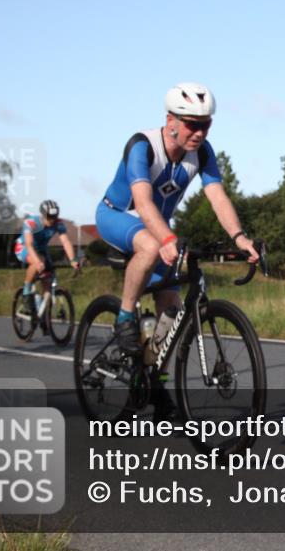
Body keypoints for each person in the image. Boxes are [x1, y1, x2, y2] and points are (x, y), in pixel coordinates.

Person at [96, 82, 258, 357]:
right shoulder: (142, 145)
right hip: (118, 215)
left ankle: (155, 380)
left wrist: (239, 237)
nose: (199, 133)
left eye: (205, 125)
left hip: (158, 226)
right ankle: (124, 317)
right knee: (149, 246)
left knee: (171, 308)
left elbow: (217, 197)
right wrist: (167, 238)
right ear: (170, 120)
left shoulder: (203, 152)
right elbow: (143, 203)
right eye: (192, 125)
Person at [14, 200, 81, 320]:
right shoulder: (31, 223)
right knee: (38, 262)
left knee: (48, 278)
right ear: (43, 215)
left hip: (41, 249)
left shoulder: (58, 224)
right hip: (24, 247)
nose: (52, 220)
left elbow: (65, 241)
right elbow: (29, 244)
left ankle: (42, 311)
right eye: (49, 217)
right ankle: (26, 291)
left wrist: (73, 260)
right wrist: (37, 262)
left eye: (54, 217)